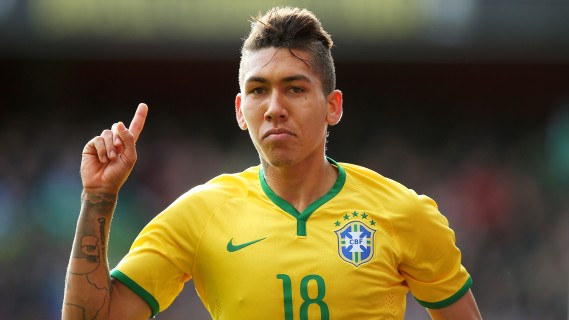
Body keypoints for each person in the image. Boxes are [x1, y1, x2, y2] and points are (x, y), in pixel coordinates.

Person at [63, 6, 482, 320]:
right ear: (241, 111)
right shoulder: (200, 214)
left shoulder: (403, 213)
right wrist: (98, 197)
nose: (275, 108)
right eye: (259, 91)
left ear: (333, 106)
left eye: (295, 89)